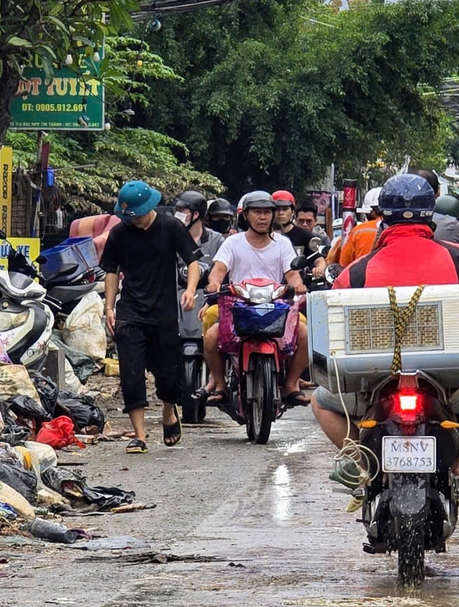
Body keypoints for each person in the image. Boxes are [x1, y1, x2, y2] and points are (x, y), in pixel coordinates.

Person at [311, 173, 459, 521]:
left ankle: (365, 466)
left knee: (319, 402)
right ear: (431, 215)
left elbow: (333, 335)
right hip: (450, 386)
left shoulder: (356, 271)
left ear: (383, 216)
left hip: (372, 388)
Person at [99, 180, 203, 453]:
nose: (132, 220)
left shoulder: (171, 228)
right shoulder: (120, 234)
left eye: (136, 215)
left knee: (169, 376)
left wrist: (190, 290)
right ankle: (140, 435)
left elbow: (192, 262)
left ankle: (169, 412)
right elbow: (111, 271)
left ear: (149, 207)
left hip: (164, 313)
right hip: (130, 311)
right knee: (131, 372)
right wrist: (109, 308)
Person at [203, 191, 311, 404]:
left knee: (305, 333)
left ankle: (291, 383)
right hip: (238, 305)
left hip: (275, 306)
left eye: (267, 213)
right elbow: (219, 268)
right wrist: (214, 282)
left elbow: (292, 274)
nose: (262, 217)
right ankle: (220, 384)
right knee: (210, 337)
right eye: (257, 212)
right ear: (246, 216)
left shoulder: (282, 244)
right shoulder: (233, 243)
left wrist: (298, 286)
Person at [173, 190, 223, 342]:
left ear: (196, 215)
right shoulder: (170, 237)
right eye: (177, 210)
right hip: (174, 295)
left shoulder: (217, 240)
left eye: (183, 211)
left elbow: (225, 272)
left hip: (207, 297)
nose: (178, 214)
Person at [333, 188, 382, 268]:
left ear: (371, 212)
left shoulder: (359, 231)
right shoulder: (402, 230)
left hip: (362, 278)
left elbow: (344, 264)